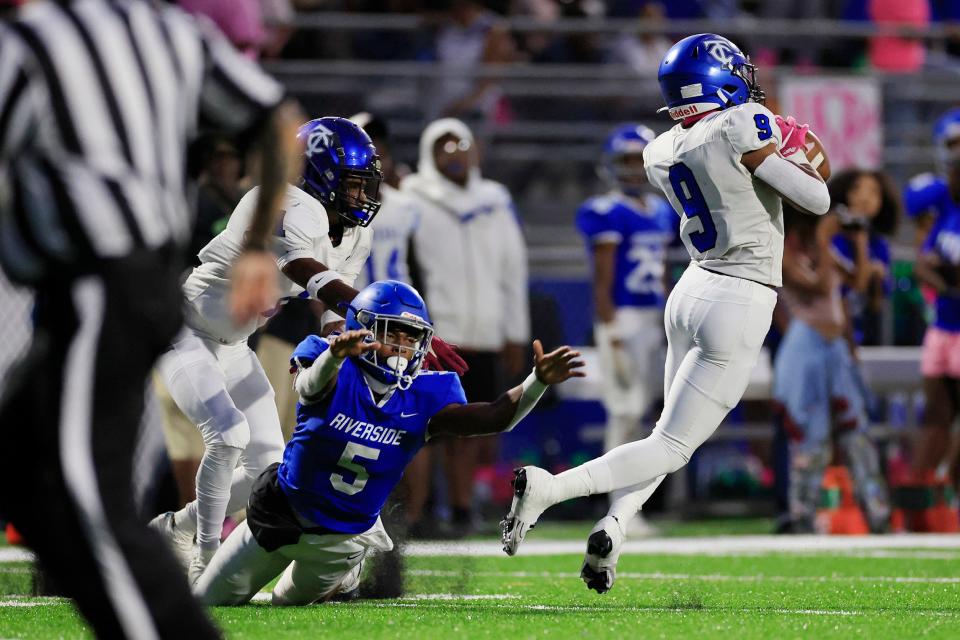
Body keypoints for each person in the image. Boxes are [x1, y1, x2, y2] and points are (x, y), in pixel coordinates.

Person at [0, 1, 303, 637]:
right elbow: (277, 119)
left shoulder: (34, 41)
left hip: (96, 283)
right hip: (142, 292)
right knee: (31, 474)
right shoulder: (171, 33)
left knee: (85, 503)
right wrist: (252, 251)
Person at [500, 33, 831, 594]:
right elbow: (817, 200)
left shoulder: (659, 149)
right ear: (718, 81)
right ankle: (549, 490)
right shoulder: (742, 124)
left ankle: (615, 526)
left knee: (663, 435)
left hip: (692, 288)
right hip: (740, 293)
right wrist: (799, 155)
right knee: (673, 445)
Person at [195, 280, 583, 605]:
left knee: (286, 606)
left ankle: (347, 574)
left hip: (341, 539)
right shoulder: (330, 363)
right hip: (279, 514)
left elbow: (494, 416)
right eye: (391, 332)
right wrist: (334, 356)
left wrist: (537, 383)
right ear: (362, 328)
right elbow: (311, 387)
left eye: (411, 337)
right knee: (209, 601)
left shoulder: (428, 393)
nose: (401, 345)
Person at [151, 117, 382, 584]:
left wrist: (348, 350)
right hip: (185, 329)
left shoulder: (354, 233)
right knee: (229, 434)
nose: (362, 195)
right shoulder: (284, 203)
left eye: (365, 184)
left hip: (235, 345)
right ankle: (205, 561)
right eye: (353, 184)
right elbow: (299, 265)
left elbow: (331, 313)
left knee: (272, 466)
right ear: (321, 175)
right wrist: (370, 308)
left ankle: (175, 526)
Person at [403, 117, 530, 535]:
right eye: (445, 145)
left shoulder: (494, 198)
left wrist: (514, 330)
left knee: (475, 429)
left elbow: (513, 268)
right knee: (425, 428)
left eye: (462, 143)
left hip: (486, 331)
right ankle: (416, 515)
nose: (455, 152)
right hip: (434, 334)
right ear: (429, 152)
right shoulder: (412, 199)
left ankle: (461, 511)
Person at [575, 123, 677, 535]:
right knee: (624, 410)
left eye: (640, 159)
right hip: (623, 317)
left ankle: (629, 504)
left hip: (654, 317)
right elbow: (601, 278)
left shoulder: (662, 210)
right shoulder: (604, 210)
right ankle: (615, 506)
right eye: (626, 160)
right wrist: (609, 326)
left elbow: (666, 272)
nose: (634, 169)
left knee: (645, 413)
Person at [774, 207, 889, 533]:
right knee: (811, 436)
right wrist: (826, 240)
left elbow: (859, 282)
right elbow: (821, 287)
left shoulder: (823, 251)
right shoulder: (784, 251)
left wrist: (859, 241)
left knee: (858, 432)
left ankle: (876, 514)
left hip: (836, 346)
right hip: (805, 345)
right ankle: (802, 518)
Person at [827, 169, 900, 346]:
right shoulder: (831, 236)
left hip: (859, 335)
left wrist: (862, 244)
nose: (865, 198)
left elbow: (876, 303)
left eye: (874, 192)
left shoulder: (879, 244)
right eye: (857, 189)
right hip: (827, 332)